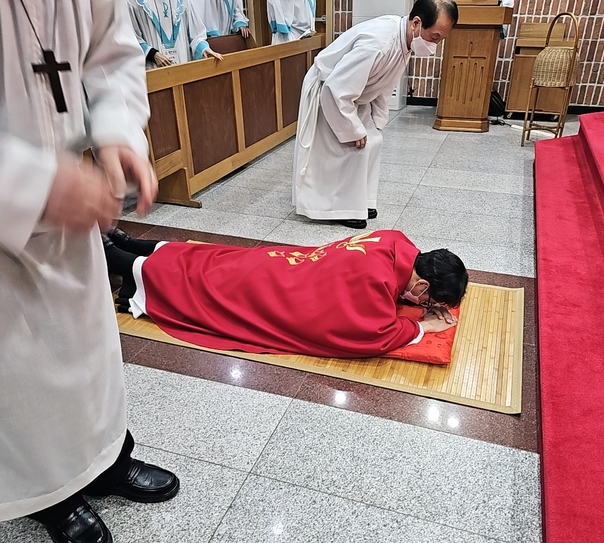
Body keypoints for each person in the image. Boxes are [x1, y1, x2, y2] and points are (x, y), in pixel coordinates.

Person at [0, 0, 178, 543]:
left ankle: (107, 459)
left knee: (87, 349)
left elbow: (110, 49)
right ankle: (51, 494)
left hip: (71, 197)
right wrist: (24, 185)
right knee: (14, 374)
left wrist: (117, 131)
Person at [104, 228, 467, 357]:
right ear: (422, 285)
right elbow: (372, 335)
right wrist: (423, 327)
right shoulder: (377, 283)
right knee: (208, 287)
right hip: (281, 291)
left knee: (214, 260)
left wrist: (413, 301)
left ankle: (131, 243)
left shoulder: (396, 242)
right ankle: (118, 258)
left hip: (282, 264)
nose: (424, 305)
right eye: (428, 300)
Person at [293, 0, 458, 228]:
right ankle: (335, 206)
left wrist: (376, 121)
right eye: (435, 37)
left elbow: (384, 84)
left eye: (441, 40)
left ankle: (360, 201)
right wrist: (352, 129)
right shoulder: (379, 43)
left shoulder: (405, 40)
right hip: (329, 93)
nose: (435, 45)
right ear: (416, 23)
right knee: (350, 148)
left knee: (373, 140)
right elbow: (336, 88)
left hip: (354, 95)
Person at [127, 0, 223, 68]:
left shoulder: (183, 2)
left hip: (183, 64)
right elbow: (130, 36)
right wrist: (152, 53)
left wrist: (203, 49)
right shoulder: (134, 3)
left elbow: (196, 33)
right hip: (154, 70)